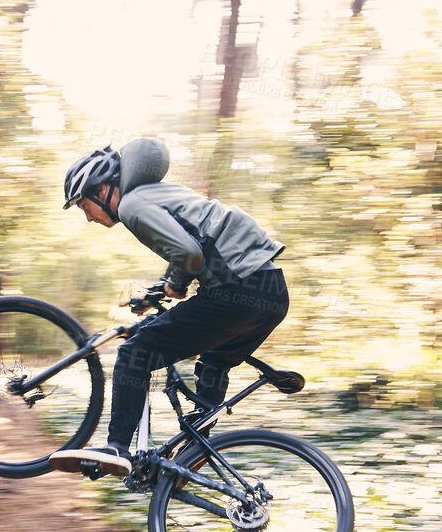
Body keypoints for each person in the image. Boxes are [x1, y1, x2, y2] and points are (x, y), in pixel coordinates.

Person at [48, 138, 288, 478]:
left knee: (135, 353)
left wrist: (175, 283)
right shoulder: (158, 195)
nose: (88, 217)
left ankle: (116, 447)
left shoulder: (132, 204)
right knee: (214, 362)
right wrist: (162, 288)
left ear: (102, 190)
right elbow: (195, 247)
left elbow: (189, 254)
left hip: (238, 288)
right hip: (271, 292)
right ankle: (193, 453)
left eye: (84, 205)